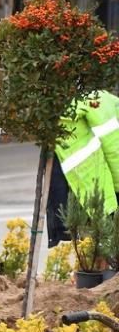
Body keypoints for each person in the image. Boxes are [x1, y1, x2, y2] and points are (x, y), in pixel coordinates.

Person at [47, 90, 119, 247]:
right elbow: (114, 149)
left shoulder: (87, 101)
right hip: (90, 181)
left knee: (90, 242)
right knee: (96, 241)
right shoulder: (102, 101)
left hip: (78, 180)